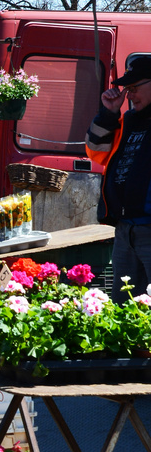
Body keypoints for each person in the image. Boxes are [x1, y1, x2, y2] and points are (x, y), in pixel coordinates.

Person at [86, 56, 151, 301]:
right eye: (128, 89)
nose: (130, 95)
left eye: (135, 88)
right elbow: (97, 153)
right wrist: (109, 114)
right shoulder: (128, 121)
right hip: (126, 229)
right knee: (123, 307)